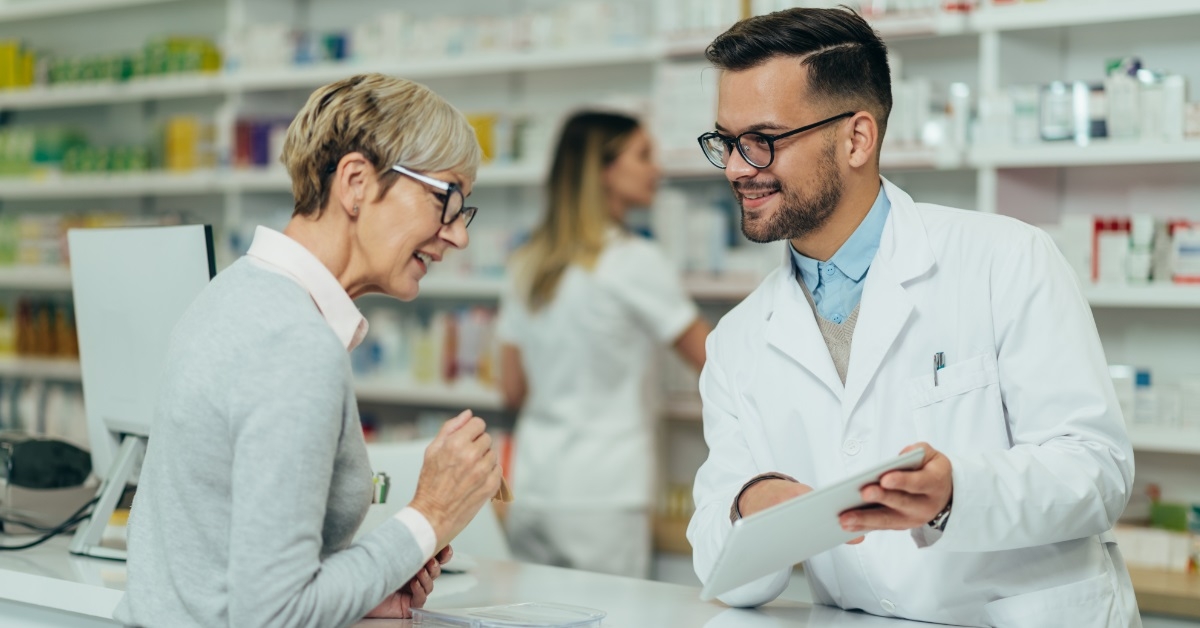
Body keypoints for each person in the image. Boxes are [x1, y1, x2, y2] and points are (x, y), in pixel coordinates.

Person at [687, 8, 1139, 627]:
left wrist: (956, 493)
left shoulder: (1006, 259)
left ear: (857, 138)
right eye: (726, 142)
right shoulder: (738, 340)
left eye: (762, 139)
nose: (738, 167)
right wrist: (747, 509)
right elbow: (724, 574)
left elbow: (1097, 469)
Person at [115, 73, 503, 628]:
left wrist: (357, 587)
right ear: (356, 182)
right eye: (447, 198)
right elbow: (273, 615)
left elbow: (229, 568)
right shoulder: (295, 342)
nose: (457, 235)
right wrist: (430, 517)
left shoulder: (234, 292)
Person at [496, 111, 710, 579]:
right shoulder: (633, 260)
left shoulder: (527, 262)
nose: (657, 169)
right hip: (605, 497)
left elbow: (511, 389)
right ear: (603, 170)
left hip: (533, 489)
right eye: (643, 155)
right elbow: (714, 361)